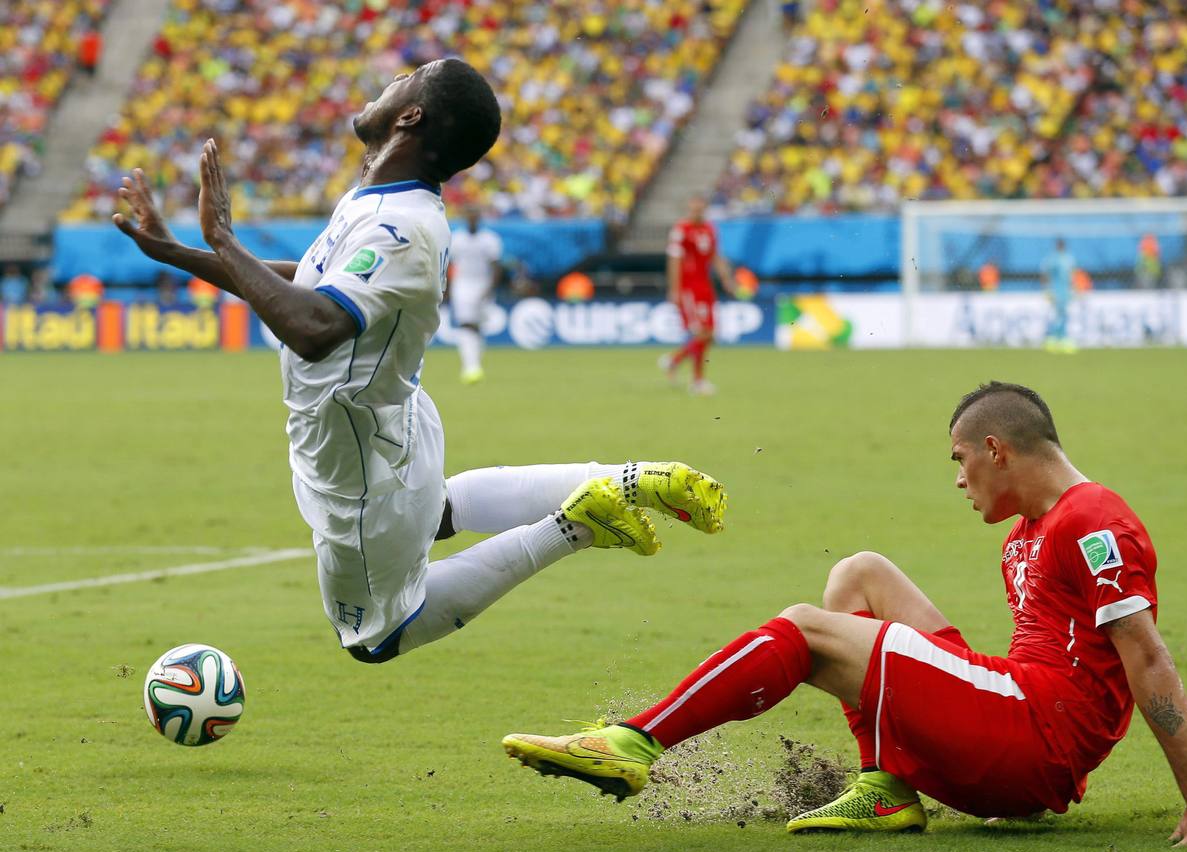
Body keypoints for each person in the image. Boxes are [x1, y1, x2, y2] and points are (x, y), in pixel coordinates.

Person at [111, 59, 727, 663]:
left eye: (403, 80)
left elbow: (313, 329)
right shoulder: (379, 199)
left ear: (409, 116)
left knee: (375, 639)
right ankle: (627, 479)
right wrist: (177, 253)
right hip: (389, 415)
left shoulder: (401, 227)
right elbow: (308, 284)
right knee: (433, 513)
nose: (388, 82)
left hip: (353, 453)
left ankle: (575, 527)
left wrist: (223, 238)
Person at [504, 382, 1187, 849]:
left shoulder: (1092, 522)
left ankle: (633, 742)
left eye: (960, 460)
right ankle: (886, 786)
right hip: (1019, 723)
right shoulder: (1028, 532)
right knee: (859, 573)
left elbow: (1146, 656)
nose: (959, 480)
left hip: (1033, 739)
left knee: (805, 627)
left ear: (995, 449)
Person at [660, 195, 737, 396]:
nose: (697, 212)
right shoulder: (681, 230)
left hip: (705, 287)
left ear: (704, 209)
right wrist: (674, 289)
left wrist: (726, 278)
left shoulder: (710, 229)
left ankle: (675, 361)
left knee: (710, 334)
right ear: (689, 209)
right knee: (702, 333)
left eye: (700, 208)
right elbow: (674, 261)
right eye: (693, 209)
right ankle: (697, 381)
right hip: (689, 288)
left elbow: (715, 256)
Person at [446, 208, 503, 384]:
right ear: (465, 218)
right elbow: (449, 264)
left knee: (477, 326)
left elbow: (496, 266)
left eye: (474, 216)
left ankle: (474, 363)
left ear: (479, 218)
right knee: (466, 323)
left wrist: (490, 288)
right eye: (469, 216)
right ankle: (470, 366)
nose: (472, 219)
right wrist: (447, 288)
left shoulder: (489, 239)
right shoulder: (457, 238)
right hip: (462, 284)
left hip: (482, 284)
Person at [1040, 238, 1077, 354]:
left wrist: (1073, 288)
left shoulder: (1069, 258)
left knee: (1063, 314)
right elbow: (1045, 274)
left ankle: (1061, 338)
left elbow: (1072, 275)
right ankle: (1053, 339)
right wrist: (1047, 289)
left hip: (1066, 291)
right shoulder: (1052, 259)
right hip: (1056, 290)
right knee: (1057, 315)